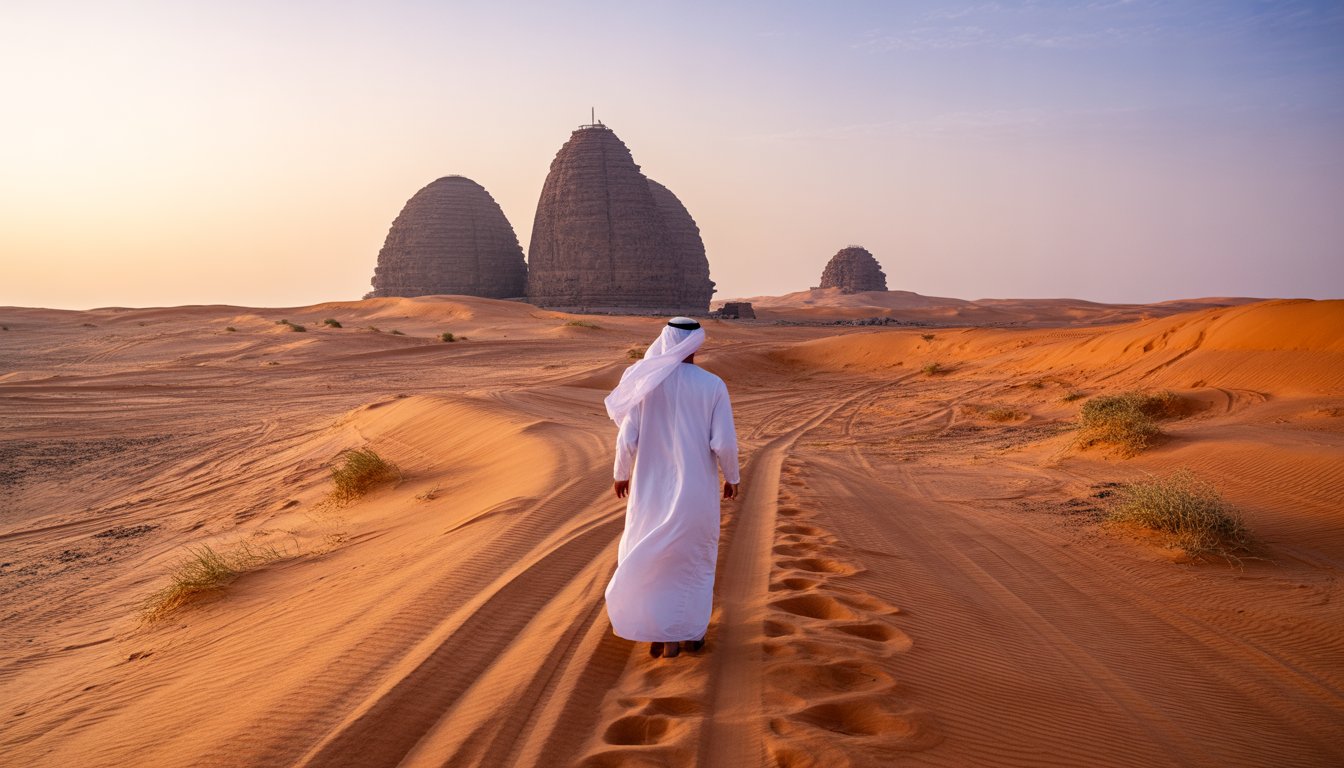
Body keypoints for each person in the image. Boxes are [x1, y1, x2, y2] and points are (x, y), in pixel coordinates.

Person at [603, 317, 740, 659]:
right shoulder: (713, 385)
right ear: (696, 344)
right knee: (690, 559)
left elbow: (627, 438)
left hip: (649, 490)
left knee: (652, 556)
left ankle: (659, 631)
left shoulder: (647, 383)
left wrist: (621, 474)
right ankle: (686, 633)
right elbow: (724, 442)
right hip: (696, 490)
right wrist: (732, 477)